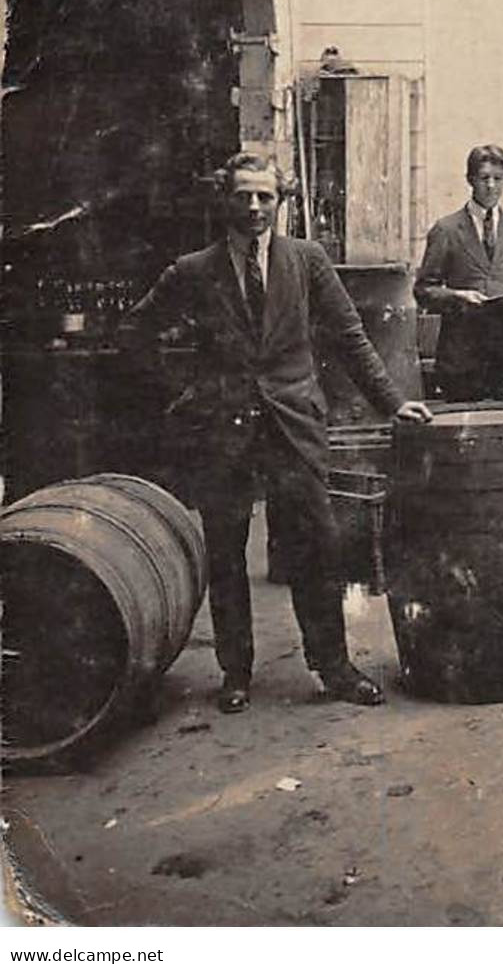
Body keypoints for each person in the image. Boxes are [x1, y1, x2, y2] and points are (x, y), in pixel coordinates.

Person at [121, 152, 433, 713]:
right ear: (226, 201)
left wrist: (393, 405)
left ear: (281, 201)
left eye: (266, 196)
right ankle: (235, 673)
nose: (255, 207)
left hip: (293, 427)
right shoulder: (194, 270)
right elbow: (135, 333)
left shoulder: (307, 260)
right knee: (227, 554)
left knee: (317, 547)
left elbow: (350, 337)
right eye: (243, 196)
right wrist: (185, 391)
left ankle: (334, 669)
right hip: (224, 430)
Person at [415, 144, 503, 401]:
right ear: (470, 179)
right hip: (463, 353)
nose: (491, 186)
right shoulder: (447, 229)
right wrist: (456, 296)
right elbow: (423, 290)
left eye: (498, 179)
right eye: (484, 178)